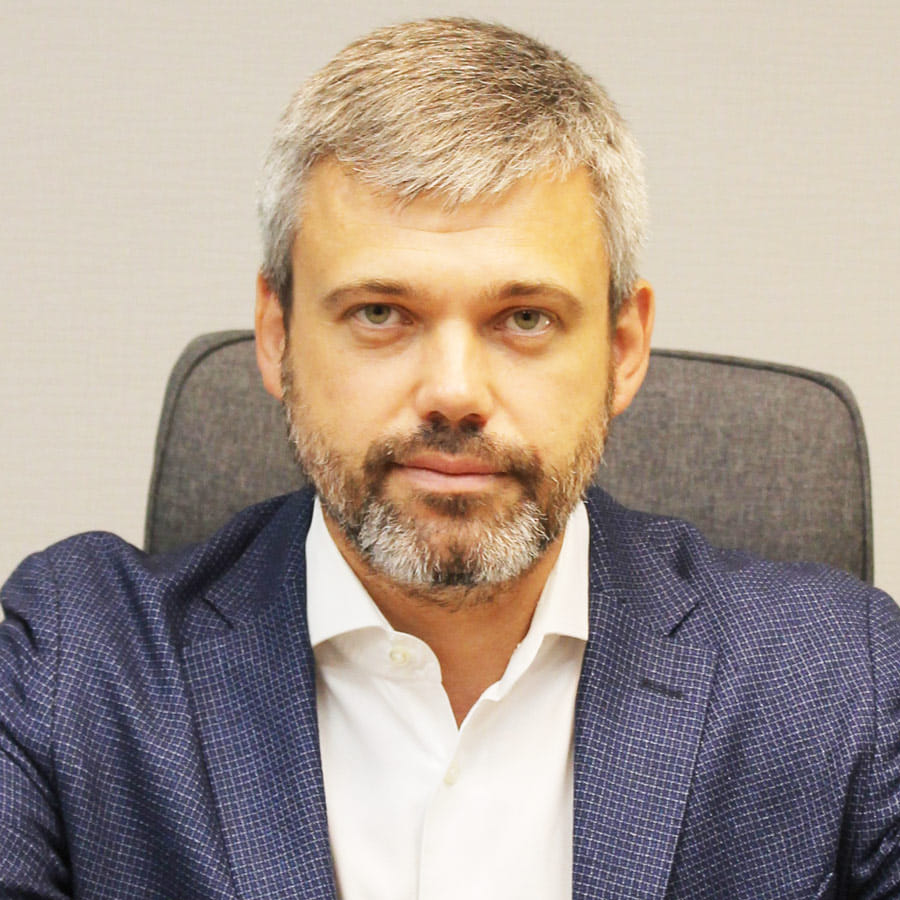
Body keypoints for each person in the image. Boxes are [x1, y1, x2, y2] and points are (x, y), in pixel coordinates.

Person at [1, 16, 898, 899]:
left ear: (624, 350)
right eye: (381, 313)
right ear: (275, 336)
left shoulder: (838, 680)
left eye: (525, 318)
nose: (454, 392)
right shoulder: (76, 665)